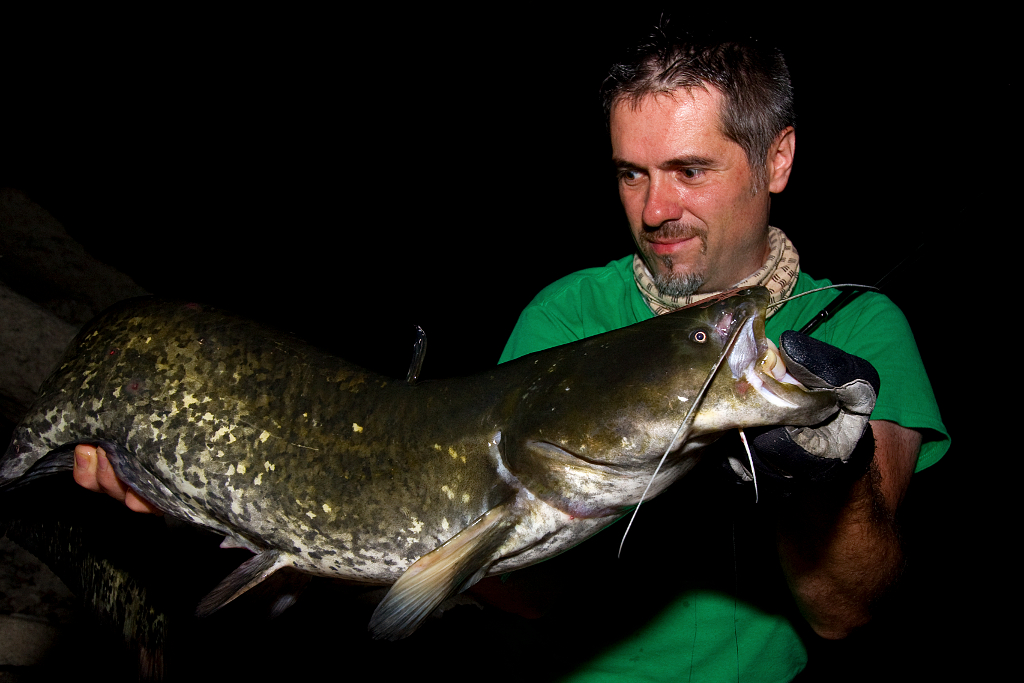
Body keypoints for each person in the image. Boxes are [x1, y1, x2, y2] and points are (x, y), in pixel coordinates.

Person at [73, 23, 948, 682]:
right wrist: (262, 505)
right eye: (629, 174)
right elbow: (530, 594)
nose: (655, 210)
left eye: (690, 170)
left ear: (778, 157)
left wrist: (818, 478)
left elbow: (847, 612)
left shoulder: (861, 330)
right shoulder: (570, 313)